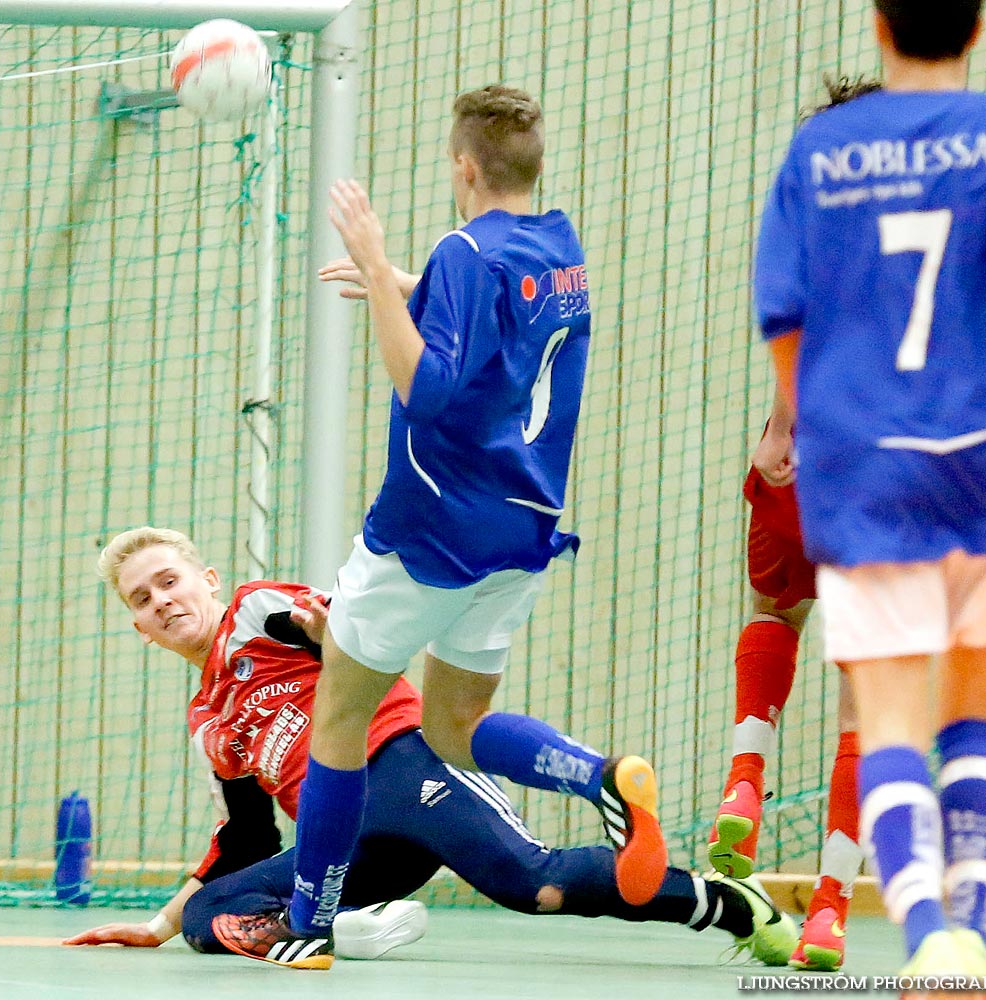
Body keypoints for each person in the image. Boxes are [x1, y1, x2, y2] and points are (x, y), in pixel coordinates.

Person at [211, 84, 670, 969]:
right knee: (457, 727)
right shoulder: (558, 248)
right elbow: (511, 331)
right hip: (524, 527)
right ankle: (602, 776)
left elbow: (429, 390)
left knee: (340, 714)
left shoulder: (462, 249)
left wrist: (382, 273)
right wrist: (416, 288)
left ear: (462, 166)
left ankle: (310, 919)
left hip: (431, 527)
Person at [66, 526, 797, 970]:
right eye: (142, 599)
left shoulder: (255, 612)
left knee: (533, 884)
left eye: (169, 581)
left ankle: (728, 905)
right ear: (141, 630)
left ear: (208, 581)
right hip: (340, 840)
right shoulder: (208, 723)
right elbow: (246, 838)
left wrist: (328, 633)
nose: (161, 601)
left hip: (401, 767)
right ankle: (343, 930)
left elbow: (323, 627)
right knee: (208, 918)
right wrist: (157, 926)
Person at [755, 0, 986, 990]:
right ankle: (969, 928)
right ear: (980, 24)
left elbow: (786, 317)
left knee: (886, 719)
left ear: (876, 22)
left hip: (870, 470)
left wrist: (805, 422)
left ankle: (925, 937)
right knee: (972, 714)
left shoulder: (821, 151)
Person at [708, 77, 882, 974]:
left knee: (773, 613)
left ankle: (746, 778)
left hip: (800, 462)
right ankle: (829, 913)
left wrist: (779, 426)